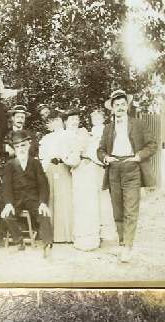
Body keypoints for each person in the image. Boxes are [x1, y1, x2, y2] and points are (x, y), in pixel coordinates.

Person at [97, 89, 158, 263]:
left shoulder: (138, 124)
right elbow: (100, 149)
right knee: (118, 210)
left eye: (123, 104)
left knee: (131, 209)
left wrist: (138, 156)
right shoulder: (108, 128)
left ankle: (128, 247)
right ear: (112, 108)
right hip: (114, 169)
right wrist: (106, 157)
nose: (120, 107)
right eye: (117, 105)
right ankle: (123, 242)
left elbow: (152, 144)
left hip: (132, 167)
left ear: (127, 106)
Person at [1, 130, 54, 256]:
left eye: (23, 145)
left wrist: (42, 202)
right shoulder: (10, 165)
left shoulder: (35, 163)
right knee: (7, 216)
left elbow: (43, 184)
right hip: (16, 199)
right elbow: (6, 186)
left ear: (28, 145)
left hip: (33, 199)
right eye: (17, 146)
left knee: (43, 213)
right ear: (14, 148)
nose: (21, 149)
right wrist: (8, 203)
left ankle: (47, 244)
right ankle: (19, 241)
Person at [61, 108, 101, 251]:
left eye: (77, 119)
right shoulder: (63, 137)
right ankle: (82, 239)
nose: (74, 122)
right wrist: (76, 154)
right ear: (65, 122)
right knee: (80, 204)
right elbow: (67, 158)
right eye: (71, 119)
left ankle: (93, 239)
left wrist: (88, 157)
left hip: (89, 168)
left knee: (91, 203)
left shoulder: (84, 134)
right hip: (77, 171)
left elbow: (94, 150)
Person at [39, 112, 73, 243]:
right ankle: (53, 236)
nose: (56, 123)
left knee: (65, 200)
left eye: (58, 120)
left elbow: (73, 152)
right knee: (51, 199)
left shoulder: (69, 135)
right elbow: (42, 156)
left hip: (65, 167)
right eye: (52, 121)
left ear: (62, 121)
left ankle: (67, 235)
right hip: (50, 168)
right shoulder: (47, 138)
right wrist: (45, 169)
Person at [89, 108, 117, 243]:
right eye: (93, 118)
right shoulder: (92, 132)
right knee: (96, 197)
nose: (96, 120)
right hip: (93, 166)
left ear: (103, 119)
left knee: (104, 197)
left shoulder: (104, 131)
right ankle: (97, 228)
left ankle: (107, 230)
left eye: (98, 118)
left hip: (102, 164)